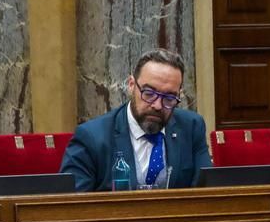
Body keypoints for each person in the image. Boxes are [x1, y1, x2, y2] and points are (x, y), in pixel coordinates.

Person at [60, 48, 211, 191]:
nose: (158, 105)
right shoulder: (92, 137)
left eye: (169, 98)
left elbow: (207, 192)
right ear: (131, 85)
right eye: (149, 93)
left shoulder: (191, 127)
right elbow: (72, 203)